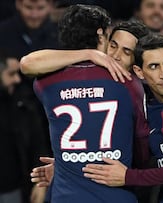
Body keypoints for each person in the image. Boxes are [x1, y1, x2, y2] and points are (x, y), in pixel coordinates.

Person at [79, 33, 163, 203]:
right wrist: (65, 169)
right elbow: (113, 152)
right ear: (139, 71)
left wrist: (130, 177)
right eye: (153, 67)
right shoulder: (142, 107)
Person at [29, 4, 148, 202]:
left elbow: (28, 64)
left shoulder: (44, 83)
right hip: (116, 195)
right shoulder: (128, 83)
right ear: (101, 35)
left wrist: (66, 163)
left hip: (67, 196)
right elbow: (142, 146)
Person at [0, 52, 51, 203]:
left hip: (13, 190)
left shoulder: (23, 105)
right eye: (11, 74)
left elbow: (38, 145)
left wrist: (39, 183)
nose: (17, 79)